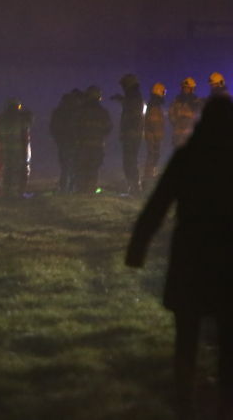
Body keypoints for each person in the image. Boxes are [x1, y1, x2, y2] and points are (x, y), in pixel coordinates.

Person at [126, 97, 233, 420]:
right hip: (228, 257)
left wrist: (137, 249)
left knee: (186, 334)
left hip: (191, 255)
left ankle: (184, 399)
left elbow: (158, 205)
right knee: (228, 337)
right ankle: (226, 401)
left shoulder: (188, 157)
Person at [74, 85, 113, 193]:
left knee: (82, 168)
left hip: (83, 145)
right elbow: (109, 127)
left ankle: (82, 189)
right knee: (93, 168)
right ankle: (91, 189)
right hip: (97, 145)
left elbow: (75, 127)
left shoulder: (82, 110)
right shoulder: (103, 112)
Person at [111, 74, 145, 194]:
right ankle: (133, 186)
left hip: (132, 135)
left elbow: (133, 116)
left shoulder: (134, 99)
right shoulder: (133, 98)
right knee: (130, 160)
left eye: (124, 86)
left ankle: (134, 187)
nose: (123, 88)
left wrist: (129, 131)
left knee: (130, 160)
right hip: (132, 134)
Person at [0, 98, 33, 197]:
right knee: (16, 172)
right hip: (18, 150)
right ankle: (14, 194)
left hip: (6, 150)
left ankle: (5, 193)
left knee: (7, 170)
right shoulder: (19, 119)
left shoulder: (2, 119)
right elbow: (26, 129)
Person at [50, 89, 83, 193]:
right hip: (75, 142)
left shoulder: (59, 111)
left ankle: (64, 189)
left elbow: (53, 128)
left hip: (63, 143)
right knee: (75, 167)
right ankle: (74, 188)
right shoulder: (77, 110)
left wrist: (59, 140)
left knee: (65, 168)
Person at [143, 82, 166, 188]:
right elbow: (155, 125)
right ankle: (147, 181)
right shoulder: (155, 108)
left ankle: (148, 179)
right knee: (152, 158)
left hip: (151, 138)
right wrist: (157, 141)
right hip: (154, 139)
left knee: (151, 158)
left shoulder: (152, 105)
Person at [169, 77, 201, 148]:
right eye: (185, 87)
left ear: (192, 89)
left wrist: (188, 116)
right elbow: (171, 113)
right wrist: (175, 123)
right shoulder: (176, 100)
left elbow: (199, 115)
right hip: (177, 134)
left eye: (188, 88)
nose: (186, 90)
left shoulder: (196, 101)